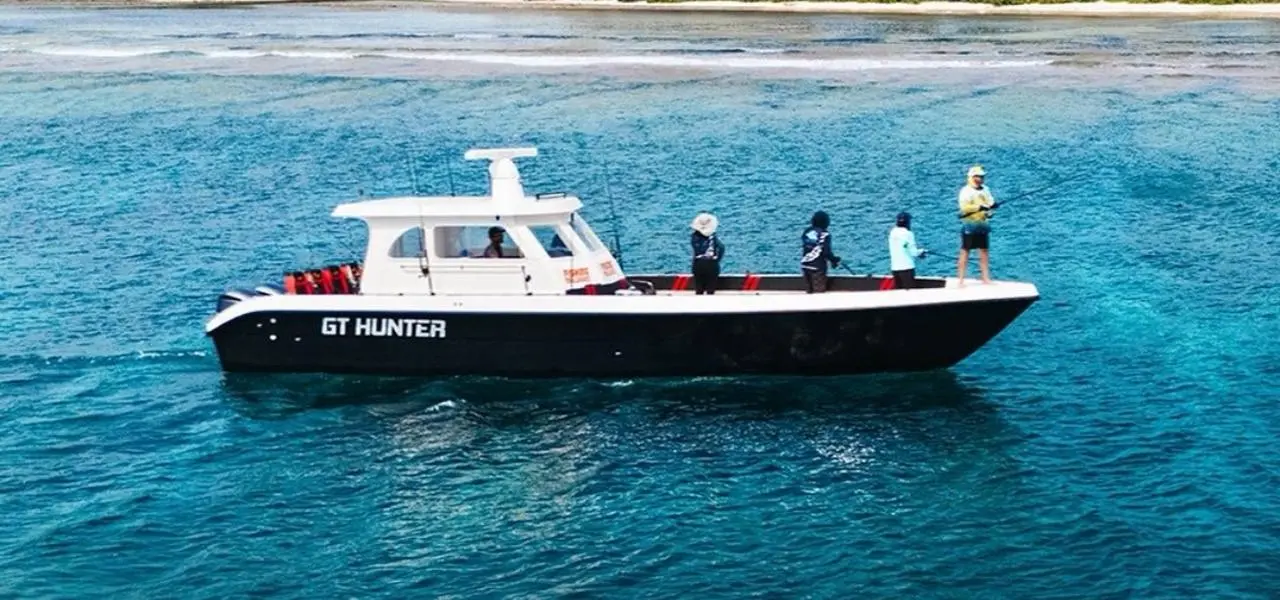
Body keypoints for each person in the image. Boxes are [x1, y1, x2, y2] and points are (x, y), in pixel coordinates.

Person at [956, 164, 999, 285]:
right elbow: (964, 208)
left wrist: (991, 209)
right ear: (972, 177)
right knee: (965, 251)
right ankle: (960, 280)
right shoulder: (965, 191)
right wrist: (979, 207)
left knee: (984, 251)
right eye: (978, 176)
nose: (981, 179)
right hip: (970, 224)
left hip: (983, 224)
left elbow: (989, 202)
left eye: (982, 176)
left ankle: (985, 278)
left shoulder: (986, 189)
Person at [800, 210, 841, 293]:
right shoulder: (825, 234)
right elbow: (826, 252)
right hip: (817, 267)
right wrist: (834, 260)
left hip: (805, 265)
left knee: (809, 290)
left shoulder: (807, 232)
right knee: (818, 292)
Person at [888, 211, 927, 290]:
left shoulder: (892, 233)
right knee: (910, 293)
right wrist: (921, 252)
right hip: (907, 268)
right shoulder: (908, 234)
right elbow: (913, 252)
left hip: (895, 268)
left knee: (899, 292)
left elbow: (904, 246)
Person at [690, 212, 725, 295]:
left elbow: (695, 249)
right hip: (711, 263)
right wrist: (717, 259)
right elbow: (721, 247)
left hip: (698, 263)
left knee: (699, 289)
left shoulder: (694, 237)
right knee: (711, 289)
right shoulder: (713, 237)